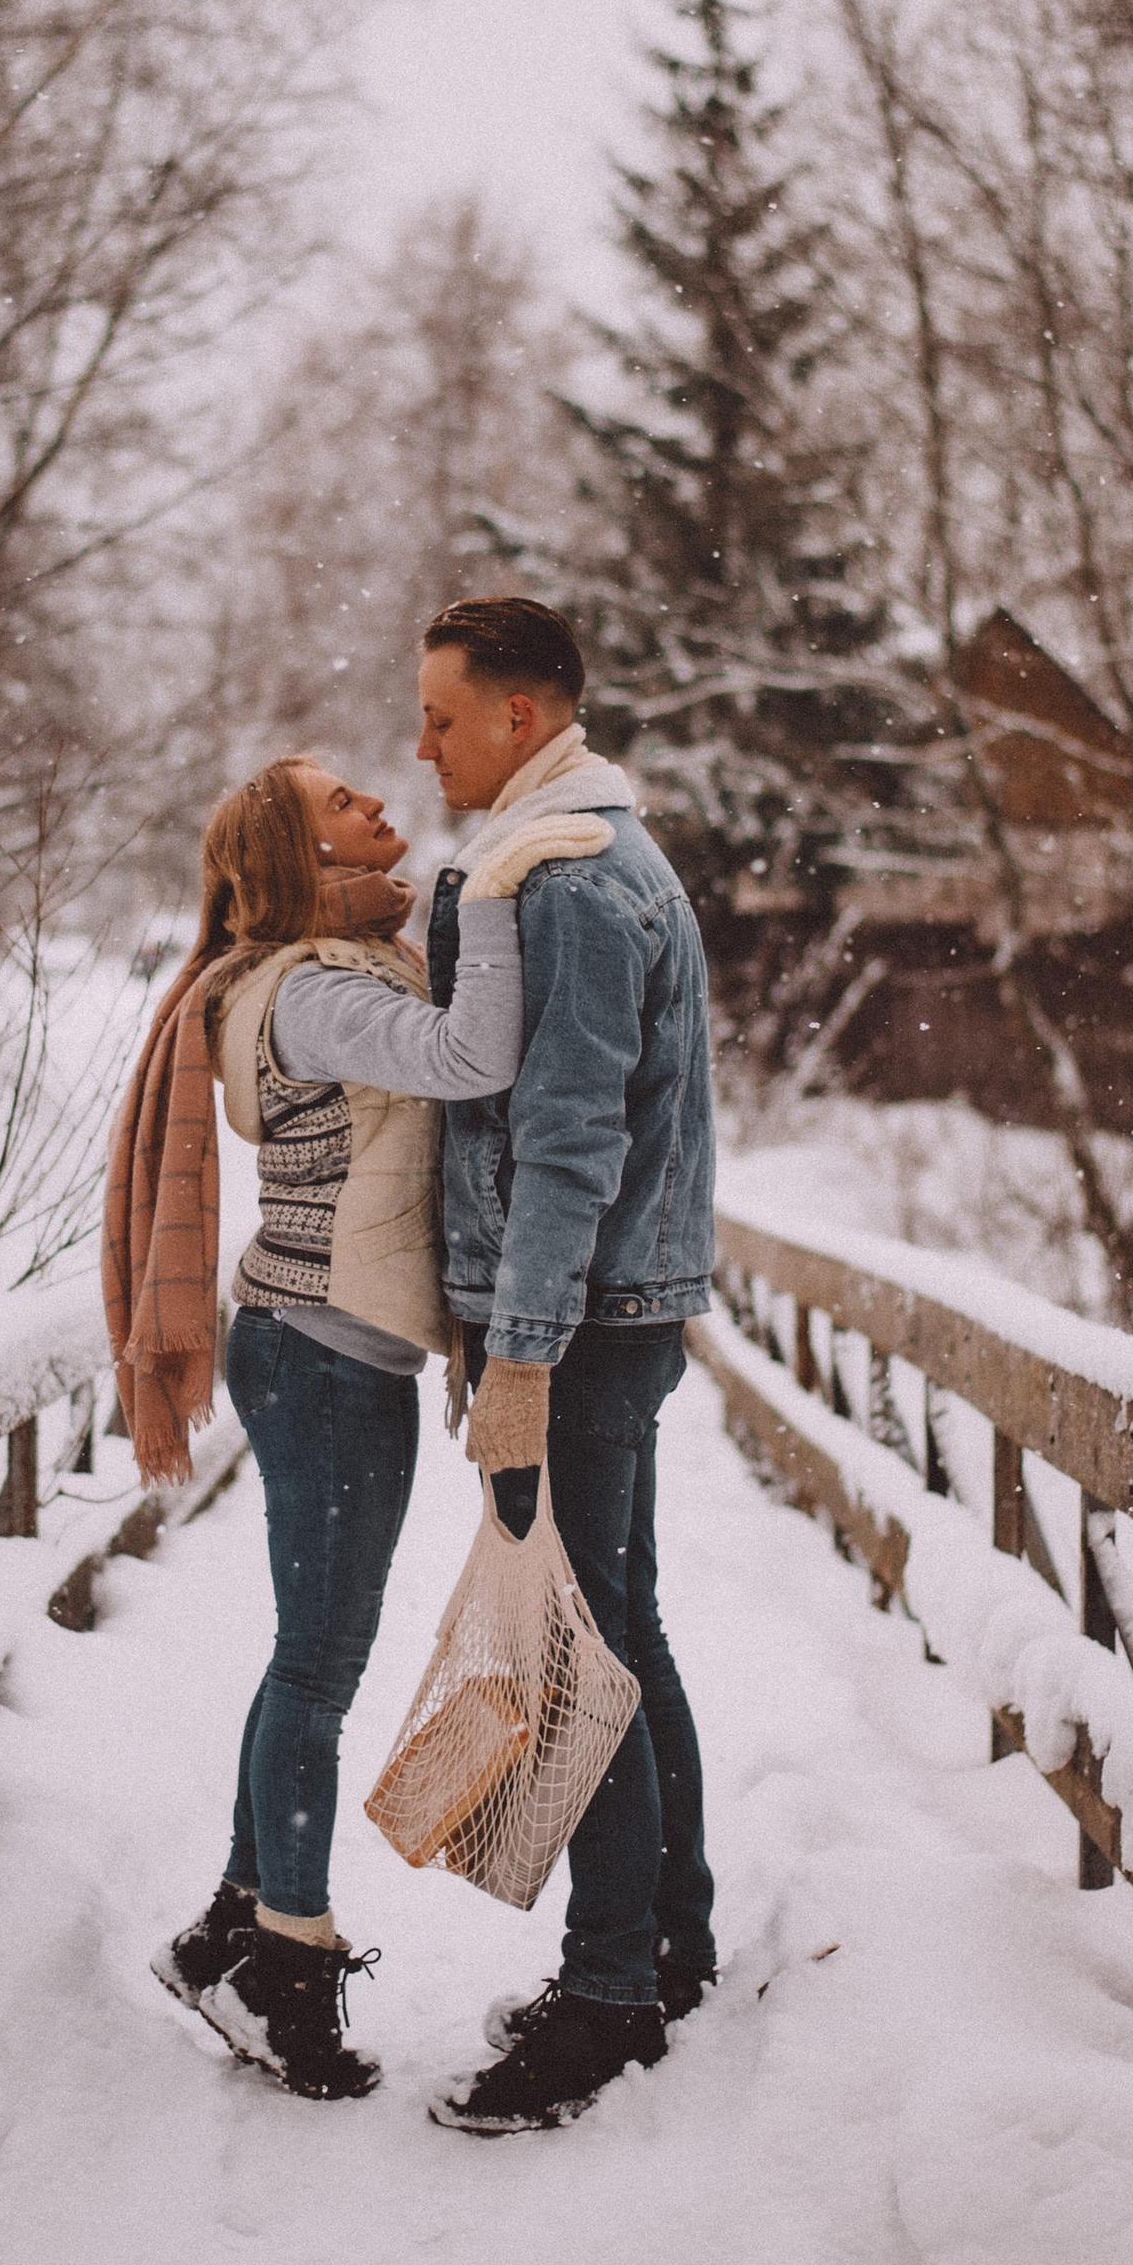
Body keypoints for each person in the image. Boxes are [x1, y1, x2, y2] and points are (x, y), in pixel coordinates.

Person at [102, 749, 605, 2102]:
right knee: (318, 1675)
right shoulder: (311, 992)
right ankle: (285, 1968)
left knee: (303, 1663)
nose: (377, 805)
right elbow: (471, 1055)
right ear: (300, 857)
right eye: (342, 805)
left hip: (327, 1350)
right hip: (322, 1359)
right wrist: (489, 892)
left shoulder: (344, 966)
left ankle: (229, 1927)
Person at [413, 594, 719, 2135]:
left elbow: (571, 1135)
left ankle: (609, 1999)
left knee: (571, 1650)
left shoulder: (574, 881)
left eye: (442, 717)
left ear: (517, 717)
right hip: (607, 1312)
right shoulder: (571, 855)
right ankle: (665, 1944)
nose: (425, 746)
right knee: (619, 1626)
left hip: (583, 1325)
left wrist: (520, 1353)